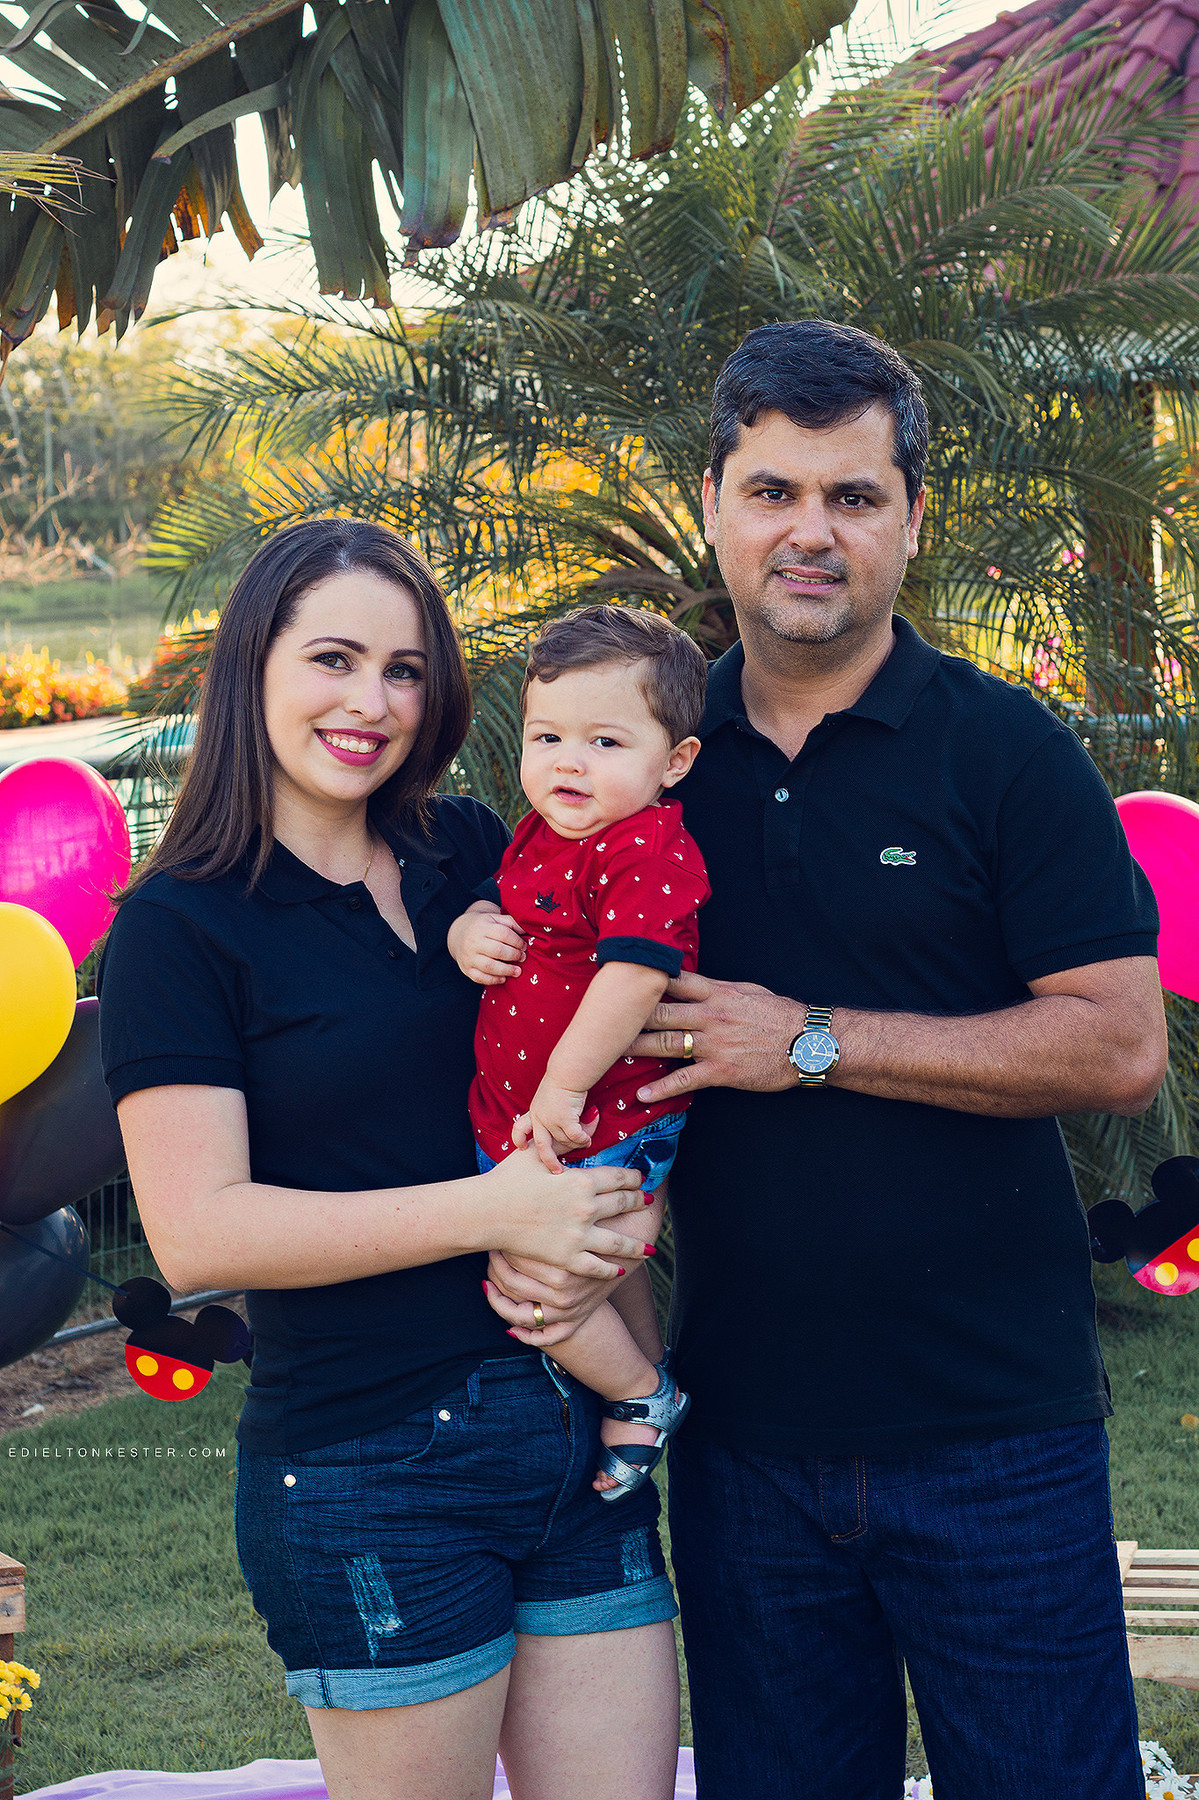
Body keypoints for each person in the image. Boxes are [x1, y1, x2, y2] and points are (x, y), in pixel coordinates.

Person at [484, 321, 1169, 1800]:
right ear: (714, 501)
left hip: (993, 1430)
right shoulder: (639, 761)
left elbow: (1119, 1044)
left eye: (851, 497)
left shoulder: (1002, 752)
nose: (809, 531)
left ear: (912, 520)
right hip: (742, 1439)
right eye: (773, 491)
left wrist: (804, 1042)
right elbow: (530, 988)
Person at [96, 520, 681, 1800]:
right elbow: (201, 1235)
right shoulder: (177, 928)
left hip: (578, 1437)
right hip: (372, 1471)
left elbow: (632, 1012)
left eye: (407, 670)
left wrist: (619, 1222)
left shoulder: (479, 849)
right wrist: (497, 1212)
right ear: (252, 665)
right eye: (335, 659)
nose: (372, 703)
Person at [449, 605, 709, 1499]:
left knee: (535, 1298)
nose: (568, 760)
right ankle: (636, 1375)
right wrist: (467, 930)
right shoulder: (537, 834)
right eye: (548, 735)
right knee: (568, 1278)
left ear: (672, 762)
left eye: (604, 741)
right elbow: (500, 908)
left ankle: (642, 1395)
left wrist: (562, 1087)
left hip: (600, 1118)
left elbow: (636, 976)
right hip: (526, 1118)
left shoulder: (648, 848)